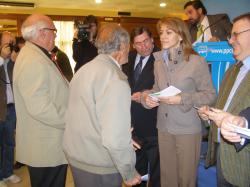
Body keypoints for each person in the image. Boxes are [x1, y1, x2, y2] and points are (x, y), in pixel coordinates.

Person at [141, 17, 216, 187]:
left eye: (169, 32)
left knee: (186, 179)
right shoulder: (158, 62)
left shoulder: (197, 62)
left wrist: (182, 99)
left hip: (188, 128)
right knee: (168, 178)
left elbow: (210, 94)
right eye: (161, 33)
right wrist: (148, 98)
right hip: (164, 127)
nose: (163, 36)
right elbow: (156, 88)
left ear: (181, 35)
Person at [63, 23, 141, 187]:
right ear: (121, 46)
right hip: (99, 164)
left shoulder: (84, 70)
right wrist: (128, 172)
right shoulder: (115, 79)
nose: (130, 49)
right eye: (129, 46)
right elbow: (114, 139)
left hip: (77, 155)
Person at [13, 14, 69, 187]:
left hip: (47, 144)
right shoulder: (32, 60)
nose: (56, 35)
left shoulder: (36, 55)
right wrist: (72, 120)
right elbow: (40, 107)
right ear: (42, 33)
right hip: (45, 147)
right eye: (54, 30)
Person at [198, 12, 250, 187]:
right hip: (223, 159)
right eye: (230, 35)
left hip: (244, 164)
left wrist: (242, 122)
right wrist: (209, 113)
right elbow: (224, 105)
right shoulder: (232, 70)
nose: (230, 40)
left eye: (236, 34)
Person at [122, 26, 160, 187]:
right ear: (132, 45)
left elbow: (168, 88)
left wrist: (146, 94)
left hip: (154, 126)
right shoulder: (126, 58)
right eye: (138, 43)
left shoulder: (162, 58)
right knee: (137, 172)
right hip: (131, 127)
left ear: (152, 40)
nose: (143, 46)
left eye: (146, 41)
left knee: (157, 175)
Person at [0, 31, 22, 187]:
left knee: (9, 143)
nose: (11, 46)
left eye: (12, 43)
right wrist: (2, 58)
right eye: (8, 42)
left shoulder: (13, 62)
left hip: (12, 108)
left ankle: (7, 173)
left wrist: (16, 62)